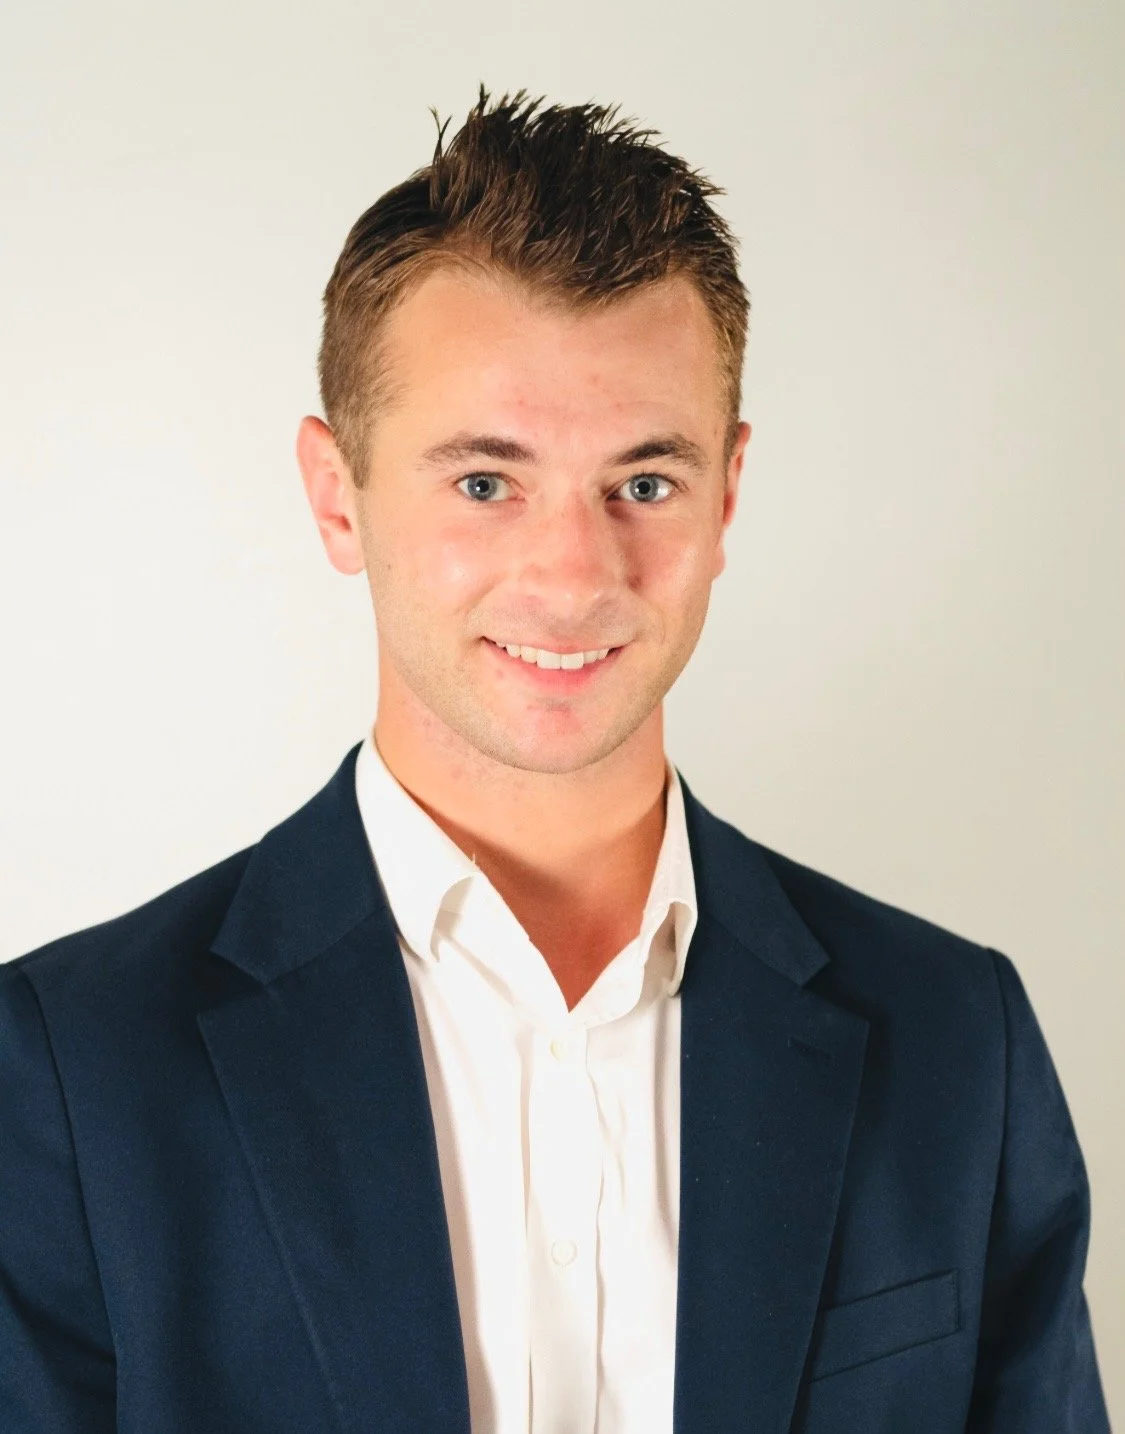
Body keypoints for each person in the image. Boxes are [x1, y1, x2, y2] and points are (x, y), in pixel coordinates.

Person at [0, 86, 1109, 1434]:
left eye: (643, 481)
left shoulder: (957, 1045)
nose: (574, 574)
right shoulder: (67, 1072)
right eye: (485, 482)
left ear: (726, 497)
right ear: (336, 494)